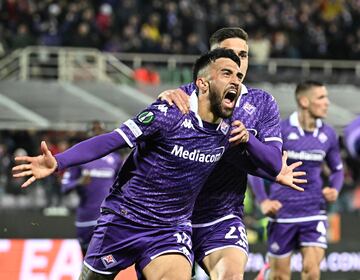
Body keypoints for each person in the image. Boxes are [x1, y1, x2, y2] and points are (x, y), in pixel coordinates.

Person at [13, 48, 247, 280]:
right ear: (203, 84)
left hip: (169, 230)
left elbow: (258, 159)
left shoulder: (231, 130)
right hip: (124, 220)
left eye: (238, 76)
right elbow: (113, 140)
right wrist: (59, 161)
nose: (236, 80)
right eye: (227, 73)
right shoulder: (169, 113)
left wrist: (278, 173)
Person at [157, 27, 306, 280]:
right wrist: (162, 100)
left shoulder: (260, 103)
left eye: (244, 55)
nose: (238, 61)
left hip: (221, 215)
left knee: (231, 276)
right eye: (230, 54)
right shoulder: (182, 98)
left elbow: (271, 160)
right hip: (172, 214)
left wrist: (251, 143)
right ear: (211, 58)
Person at [252, 81, 344, 280]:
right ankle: (268, 271)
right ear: (304, 101)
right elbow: (254, 168)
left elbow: (337, 170)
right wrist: (263, 200)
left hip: (314, 212)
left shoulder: (328, 134)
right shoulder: (281, 131)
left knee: (311, 272)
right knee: (280, 276)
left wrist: (334, 188)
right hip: (282, 214)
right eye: (321, 97)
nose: (327, 102)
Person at [61, 121, 123, 256]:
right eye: (94, 131)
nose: (97, 133)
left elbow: (122, 185)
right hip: (86, 217)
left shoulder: (115, 159)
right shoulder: (79, 158)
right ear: (88, 135)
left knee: (104, 264)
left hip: (107, 217)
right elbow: (65, 187)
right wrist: (79, 182)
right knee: (86, 262)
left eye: (100, 130)